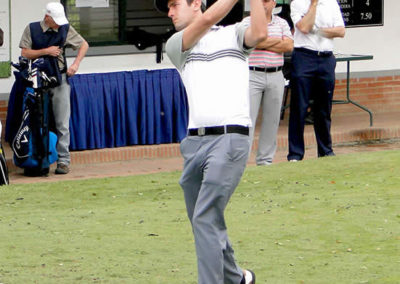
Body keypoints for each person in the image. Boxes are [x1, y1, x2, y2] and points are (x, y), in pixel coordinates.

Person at [154, 0, 267, 283]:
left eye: (174, 4)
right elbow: (204, 22)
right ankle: (236, 278)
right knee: (205, 220)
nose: (169, 12)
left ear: (196, 3)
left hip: (231, 139)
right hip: (194, 144)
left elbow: (260, 33)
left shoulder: (234, 34)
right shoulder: (176, 44)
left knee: (205, 218)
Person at [19, 2, 89, 174]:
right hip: (36, 80)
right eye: (55, 20)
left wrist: (76, 64)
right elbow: (25, 53)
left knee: (62, 122)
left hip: (60, 78)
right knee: (36, 120)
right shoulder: (32, 29)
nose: (58, 24)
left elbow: (84, 45)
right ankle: (39, 159)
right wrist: (46, 51)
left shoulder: (65, 28)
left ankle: (63, 161)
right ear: (47, 17)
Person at [287, 0, 345, 161]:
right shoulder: (297, 3)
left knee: (323, 108)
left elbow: (341, 31)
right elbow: (304, 27)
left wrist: (318, 31)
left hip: (326, 58)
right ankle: (295, 154)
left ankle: (325, 151)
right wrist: (313, 5)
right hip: (304, 57)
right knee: (299, 107)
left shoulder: (331, 3)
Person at [246, 0, 293, 166]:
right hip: (253, 74)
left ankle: (265, 160)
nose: (263, 4)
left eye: (266, 1)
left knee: (272, 120)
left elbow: (289, 45)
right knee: (247, 120)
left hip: (276, 74)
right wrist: (274, 42)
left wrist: (263, 42)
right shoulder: (247, 22)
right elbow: (252, 43)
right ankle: (241, 160)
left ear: (273, 3)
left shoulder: (282, 23)